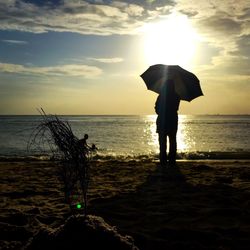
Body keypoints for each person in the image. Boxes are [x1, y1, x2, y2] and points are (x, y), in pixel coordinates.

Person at [155, 80, 180, 167]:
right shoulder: (177, 96)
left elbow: (156, 109)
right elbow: (176, 108)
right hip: (172, 121)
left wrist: (162, 112)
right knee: (172, 141)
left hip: (162, 121)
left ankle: (163, 160)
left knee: (162, 142)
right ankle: (172, 160)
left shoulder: (161, 96)